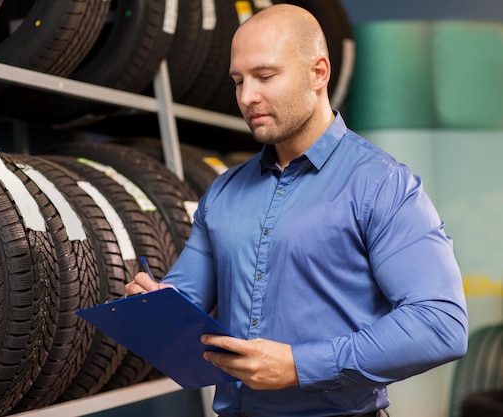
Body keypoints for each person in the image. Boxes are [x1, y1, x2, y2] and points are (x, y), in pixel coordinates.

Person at [126, 4, 468, 416]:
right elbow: (187, 296)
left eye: (265, 76)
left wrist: (298, 366)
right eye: (238, 81)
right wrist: (156, 303)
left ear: (318, 73)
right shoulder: (223, 192)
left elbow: (441, 324)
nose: (247, 97)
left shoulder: (381, 183)